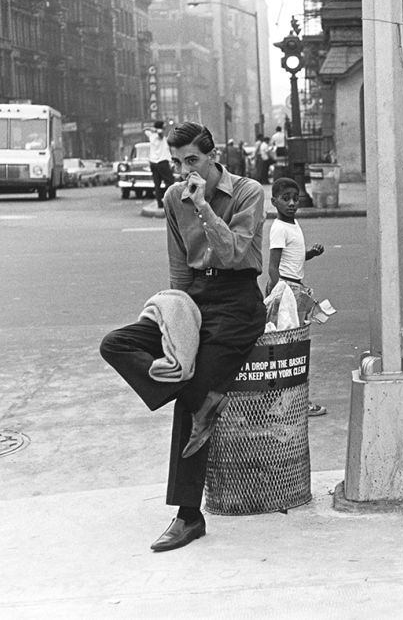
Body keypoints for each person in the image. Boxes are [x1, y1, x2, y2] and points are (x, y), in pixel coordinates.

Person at [100, 121, 268, 552]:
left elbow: (234, 253)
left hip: (237, 305)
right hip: (195, 298)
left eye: (192, 160)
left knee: (194, 399)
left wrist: (205, 209)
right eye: (177, 162)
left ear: (213, 156)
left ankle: (188, 516)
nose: (183, 171)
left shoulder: (248, 192)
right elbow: (179, 266)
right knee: (116, 344)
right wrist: (173, 314)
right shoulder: (173, 198)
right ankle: (178, 381)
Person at [266, 177, 327, 417]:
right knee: (290, 350)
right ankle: (293, 403)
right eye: (285, 199)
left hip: (295, 289)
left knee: (294, 347)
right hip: (288, 291)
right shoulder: (279, 228)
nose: (292, 203)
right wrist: (282, 295)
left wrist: (310, 253)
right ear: (273, 201)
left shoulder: (292, 224)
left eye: (295, 198)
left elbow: (294, 258)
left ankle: (290, 401)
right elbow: (273, 267)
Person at [145, 120, 175, 209]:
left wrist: (152, 129)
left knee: (157, 184)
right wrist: (157, 130)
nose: (165, 127)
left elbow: (145, 130)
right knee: (169, 181)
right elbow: (160, 132)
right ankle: (169, 201)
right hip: (162, 162)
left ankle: (159, 203)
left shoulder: (151, 136)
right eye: (164, 126)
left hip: (153, 163)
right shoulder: (160, 136)